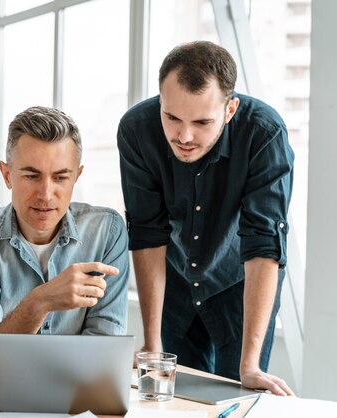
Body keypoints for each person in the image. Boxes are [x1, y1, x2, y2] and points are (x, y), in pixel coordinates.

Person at [117, 41, 294, 395]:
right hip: (175, 280)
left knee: (237, 393)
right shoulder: (136, 130)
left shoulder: (264, 133)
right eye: (172, 117)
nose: (183, 136)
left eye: (201, 122)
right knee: (179, 398)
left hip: (238, 284)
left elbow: (263, 244)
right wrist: (152, 343)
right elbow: (148, 234)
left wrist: (251, 365)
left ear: (230, 110)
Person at [0, 106, 128, 335]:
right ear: (7, 175)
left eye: (61, 177)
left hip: (78, 374)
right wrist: (41, 301)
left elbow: (105, 346)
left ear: (76, 178)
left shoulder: (107, 232)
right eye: (32, 176)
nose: (45, 194)